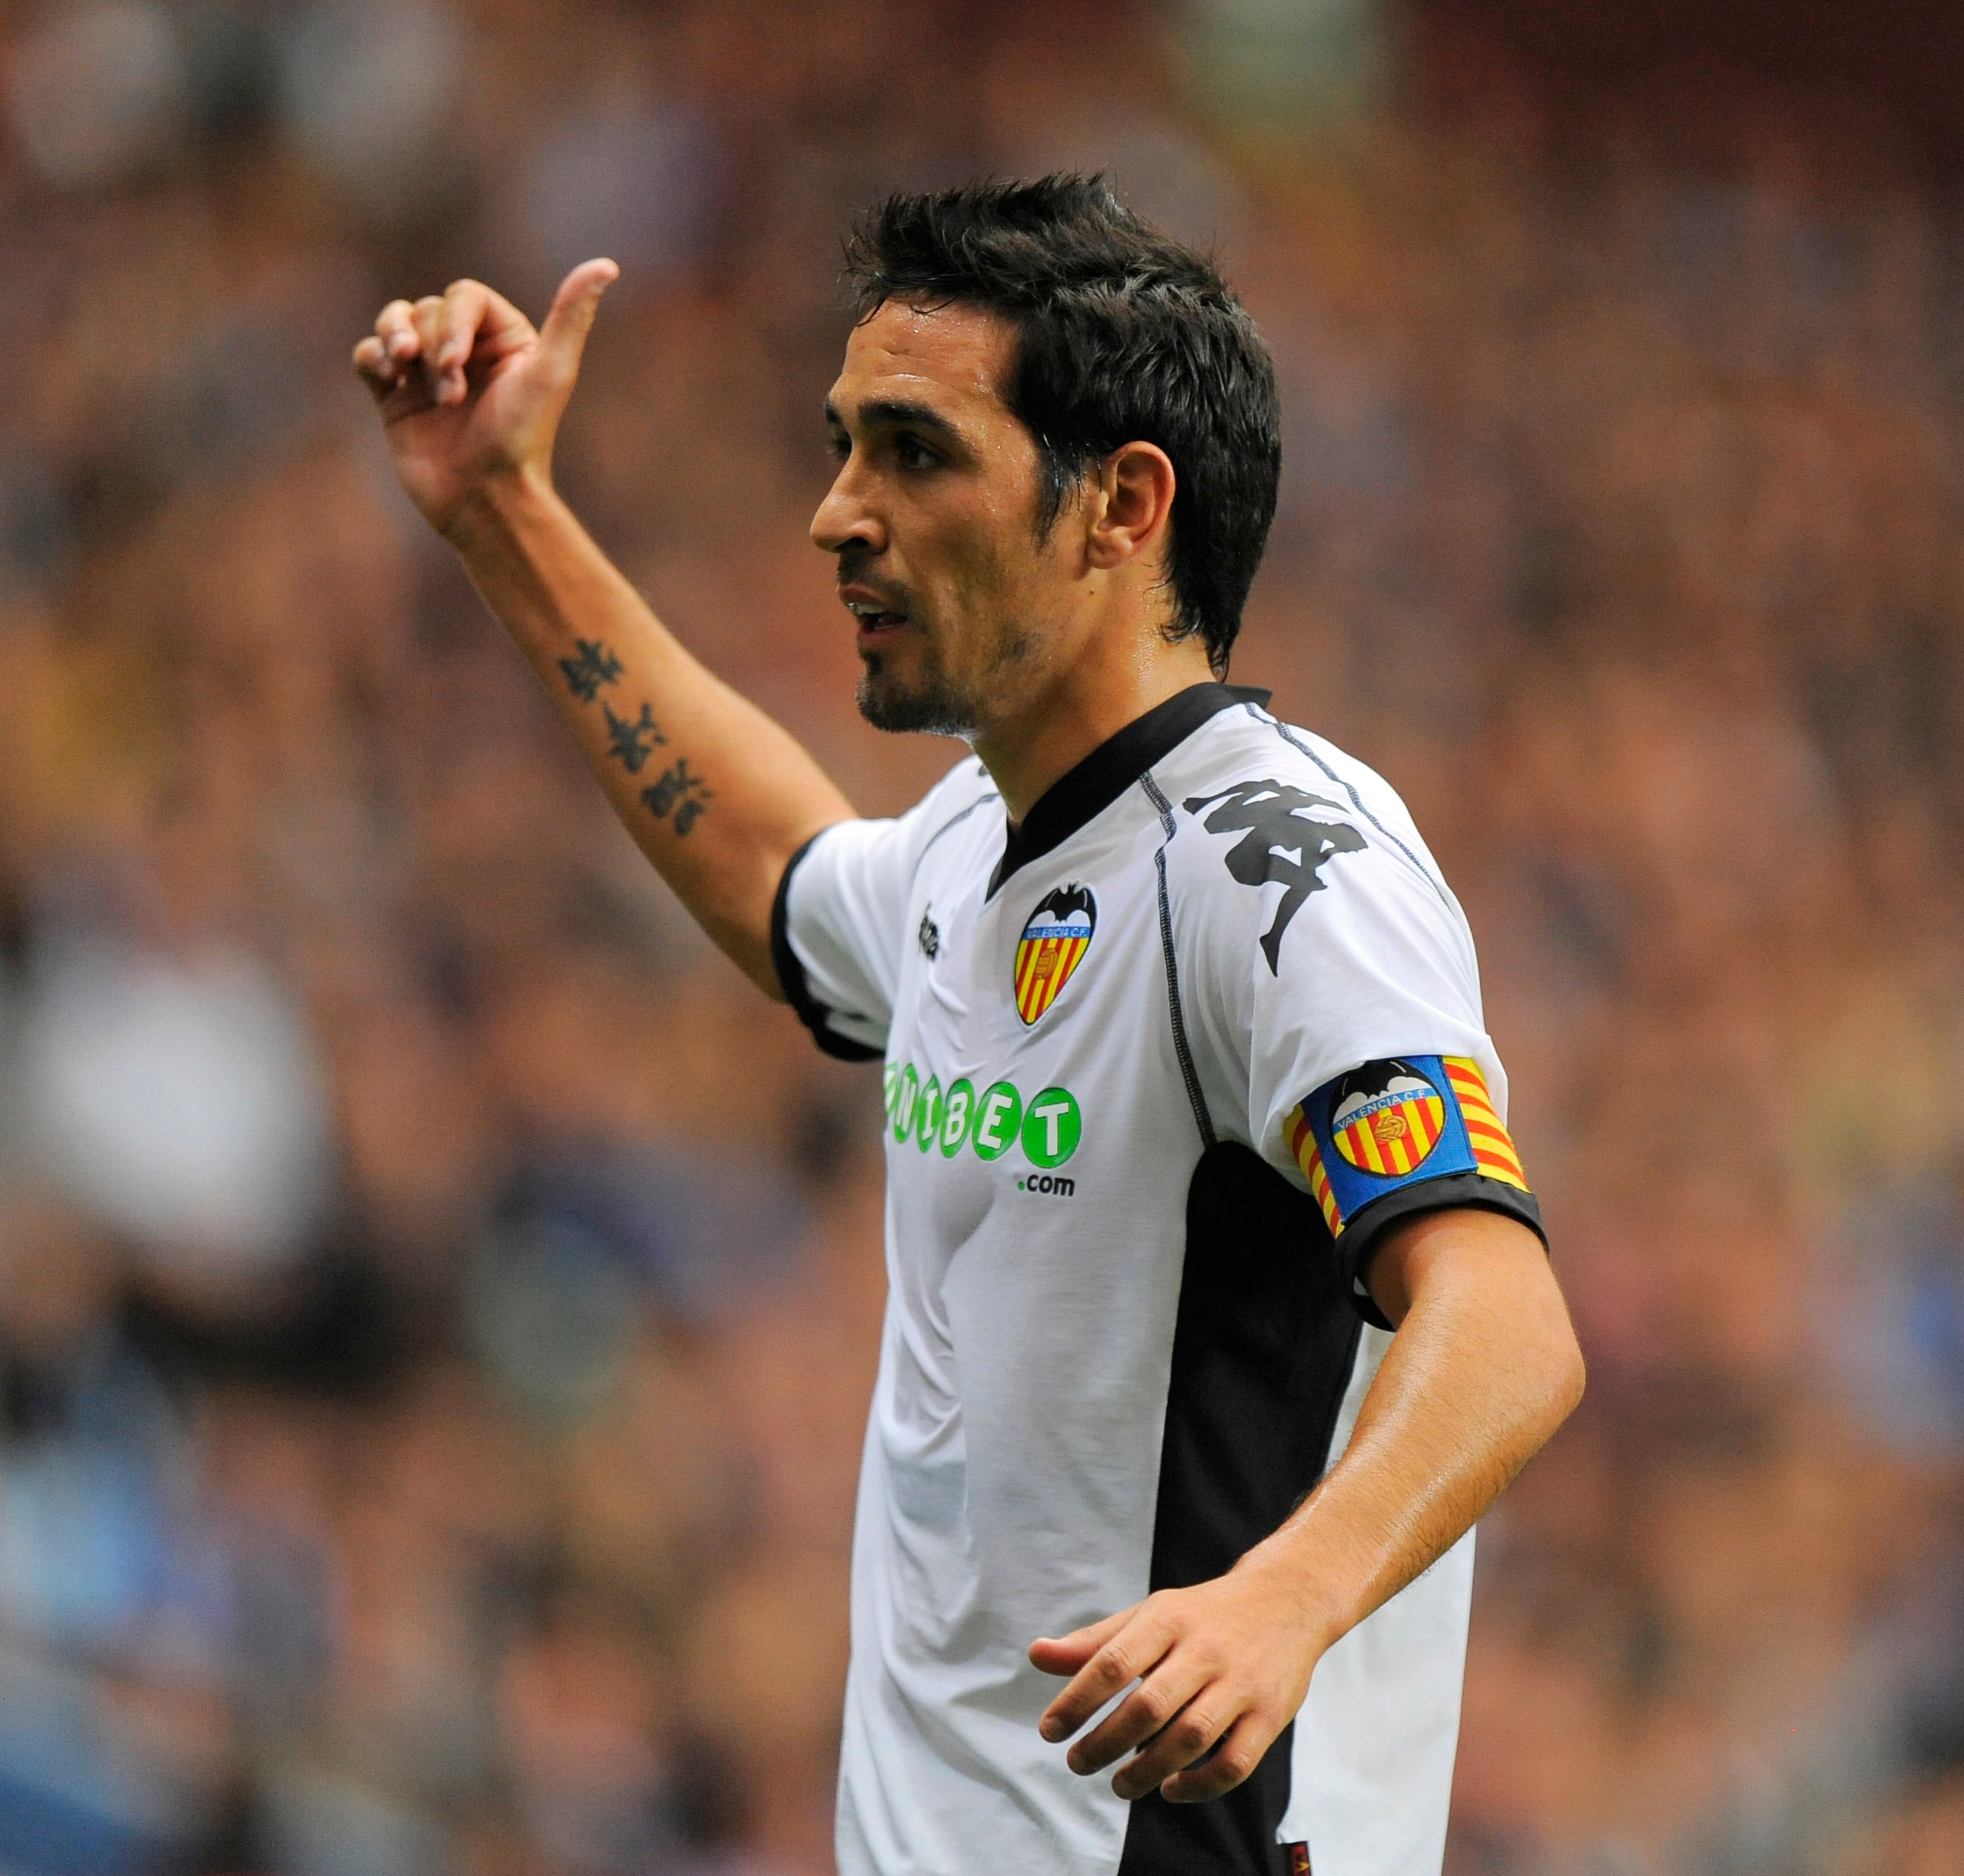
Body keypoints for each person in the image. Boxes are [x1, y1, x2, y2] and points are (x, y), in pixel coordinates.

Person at [353, 176, 1584, 1876]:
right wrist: (502, 512)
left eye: (914, 453)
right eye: (844, 444)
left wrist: (1281, 1600)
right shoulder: (971, 835)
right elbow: (778, 873)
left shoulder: (1284, 870)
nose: (834, 514)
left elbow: (1506, 1325)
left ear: (1119, 509)